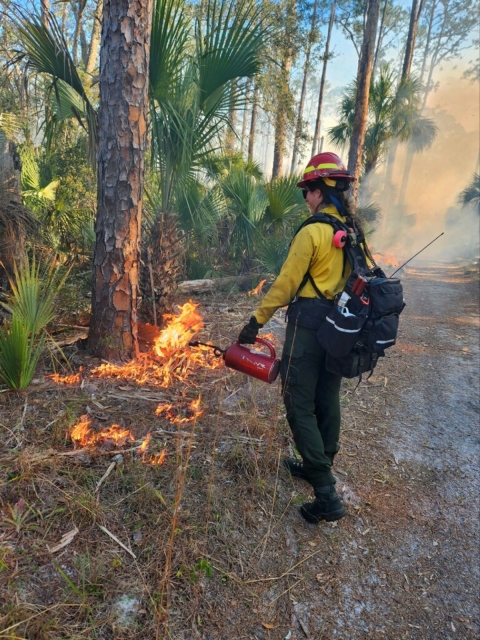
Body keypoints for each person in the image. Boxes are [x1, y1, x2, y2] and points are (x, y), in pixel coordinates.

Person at [238, 152, 359, 524]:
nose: (305, 197)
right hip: (339, 328)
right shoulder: (351, 231)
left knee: (297, 401)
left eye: (308, 190)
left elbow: (286, 284)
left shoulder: (313, 232)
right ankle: (318, 462)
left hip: (307, 329)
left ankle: (325, 492)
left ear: (321, 191)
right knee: (327, 396)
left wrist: (256, 321)